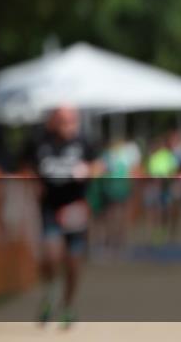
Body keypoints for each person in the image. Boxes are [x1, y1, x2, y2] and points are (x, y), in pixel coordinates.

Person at [22, 105, 104, 329]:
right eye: (66, 121)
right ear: (56, 121)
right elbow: (27, 166)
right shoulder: (42, 142)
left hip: (75, 208)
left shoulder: (84, 142)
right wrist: (34, 183)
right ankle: (50, 292)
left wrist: (89, 170)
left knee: (73, 263)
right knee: (50, 255)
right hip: (50, 207)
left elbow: (100, 165)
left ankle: (68, 305)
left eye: (73, 121)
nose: (70, 126)